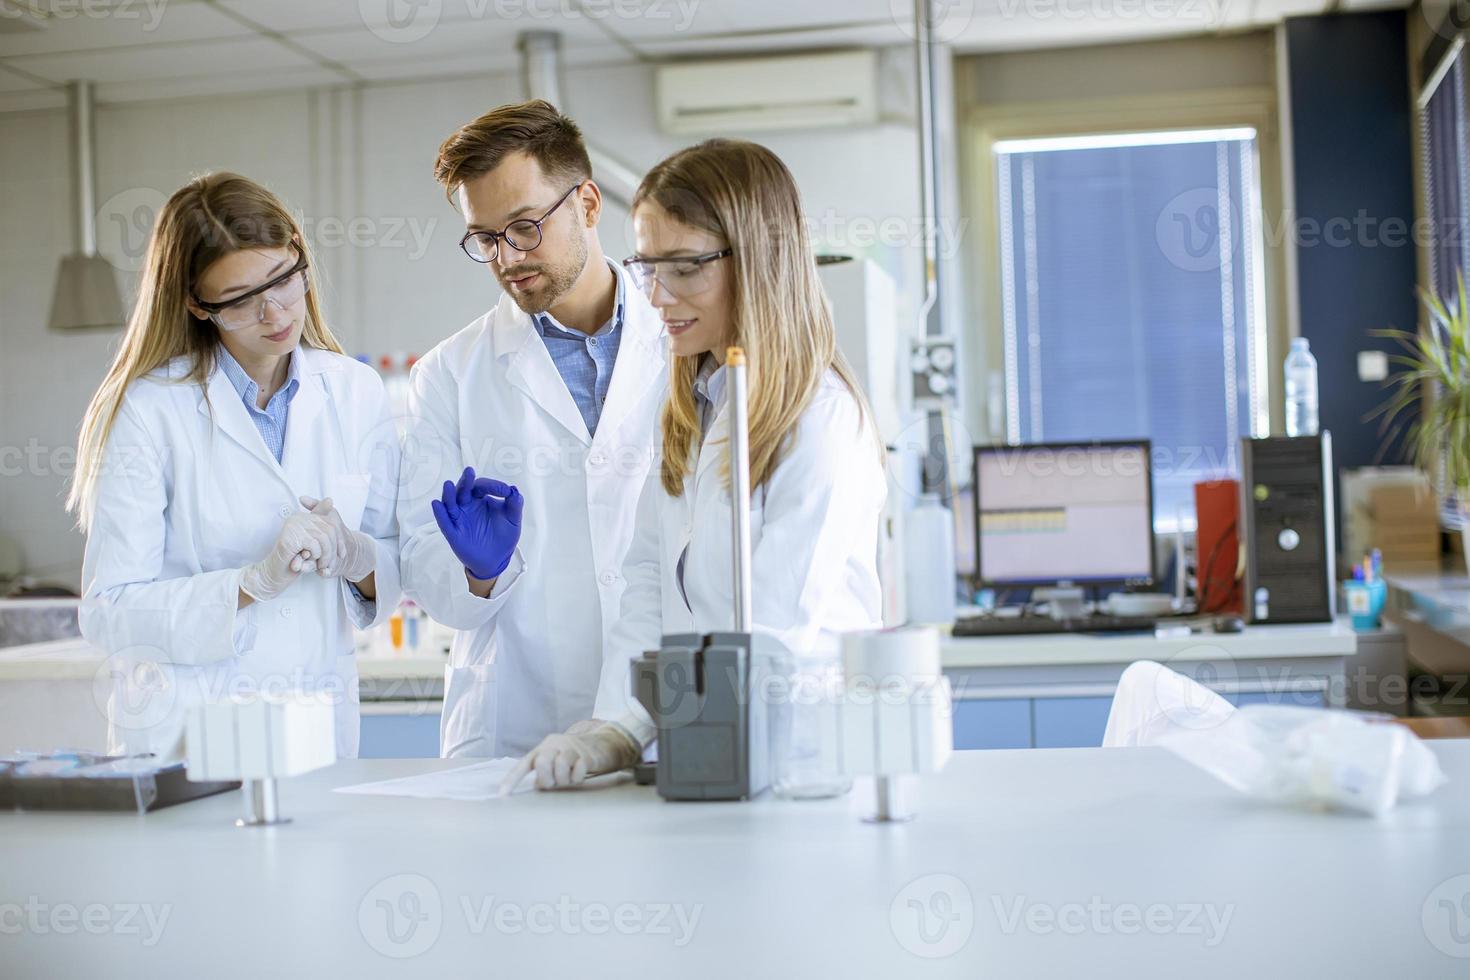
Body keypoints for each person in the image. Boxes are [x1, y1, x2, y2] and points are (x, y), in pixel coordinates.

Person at [507, 139, 887, 790]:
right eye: (649, 267)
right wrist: (616, 730)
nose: (657, 295)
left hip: (797, 762)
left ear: (758, 262)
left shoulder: (820, 418)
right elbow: (649, 582)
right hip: (704, 744)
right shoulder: (690, 401)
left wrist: (641, 727)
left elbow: (771, 626)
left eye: (684, 267)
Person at [72, 173, 401, 760]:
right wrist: (248, 585)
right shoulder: (150, 411)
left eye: (282, 280)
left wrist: (357, 554)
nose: (274, 313)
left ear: (299, 252)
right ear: (198, 304)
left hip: (316, 731)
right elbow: (110, 612)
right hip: (188, 741)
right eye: (242, 300)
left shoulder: (356, 392)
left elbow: (395, 564)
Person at [399, 100, 666, 758]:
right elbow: (424, 567)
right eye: (484, 239)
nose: (505, 259)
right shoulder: (447, 375)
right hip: (517, 725)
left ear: (589, 205)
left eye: (523, 228)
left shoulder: (685, 342)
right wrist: (479, 573)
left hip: (664, 710)